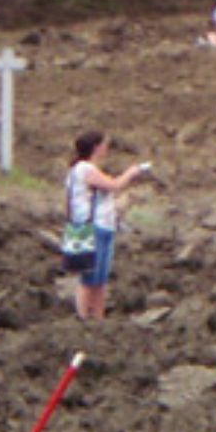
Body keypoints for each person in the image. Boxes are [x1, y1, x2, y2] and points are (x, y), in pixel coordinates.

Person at [66, 130, 151, 319]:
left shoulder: (88, 169)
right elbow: (114, 185)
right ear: (96, 147)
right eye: (104, 144)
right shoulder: (84, 169)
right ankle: (83, 317)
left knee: (100, 278)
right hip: (91, 228)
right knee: (89, 277)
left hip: (104, 226)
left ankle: (98, 317)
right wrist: (131, 173)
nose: (107, 148)